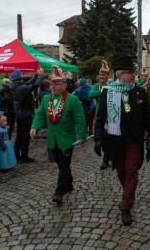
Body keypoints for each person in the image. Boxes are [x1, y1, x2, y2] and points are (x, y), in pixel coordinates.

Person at [94, 55, 150, 226]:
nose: (133, 75)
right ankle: (129, 194)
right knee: (121, 172)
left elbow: (147, 118)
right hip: (115, 139)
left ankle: (126, 205)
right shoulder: (108, 91)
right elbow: (100, 118)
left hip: (134, 140)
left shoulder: (140, 91)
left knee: (131, 170)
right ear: (120, 75)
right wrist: (98, 139)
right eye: (130, 73)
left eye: (134, 72)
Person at [30, 66, 87, 205]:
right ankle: (69, 183)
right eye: (52, 84)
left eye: (56, 84)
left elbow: (80, 119)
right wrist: (34, 127)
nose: (53, 87)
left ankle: (59, 192)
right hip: (53, 139)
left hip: (67, 138)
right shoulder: (45, 100)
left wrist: (82, 136)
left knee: (64, 165)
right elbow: (40, 115)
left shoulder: (72, 99)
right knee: (61, 164)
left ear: (64, 85)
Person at [10, 68, 44, 163]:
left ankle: (16, 154)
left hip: (19, 113)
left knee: (19, 135)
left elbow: (27, 83)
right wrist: (41, 75)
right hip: (25, 113)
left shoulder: (15, 85)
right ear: (20, 78)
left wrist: (36, 75)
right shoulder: (21, 88)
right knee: (26, 136)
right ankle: (24, 155)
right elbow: (35, 85)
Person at [89, 60, 111, 170]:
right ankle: (106, 154)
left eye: (104, 74)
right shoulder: (96, 86)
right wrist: (102, 91)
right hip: (99, 116)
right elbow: (90, 94)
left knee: (108, 139)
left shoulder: (111, 85)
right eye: (100, 74)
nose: (101, 76)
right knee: (100, 138)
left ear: (108, 75)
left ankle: (105, 160)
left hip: (110, 117)